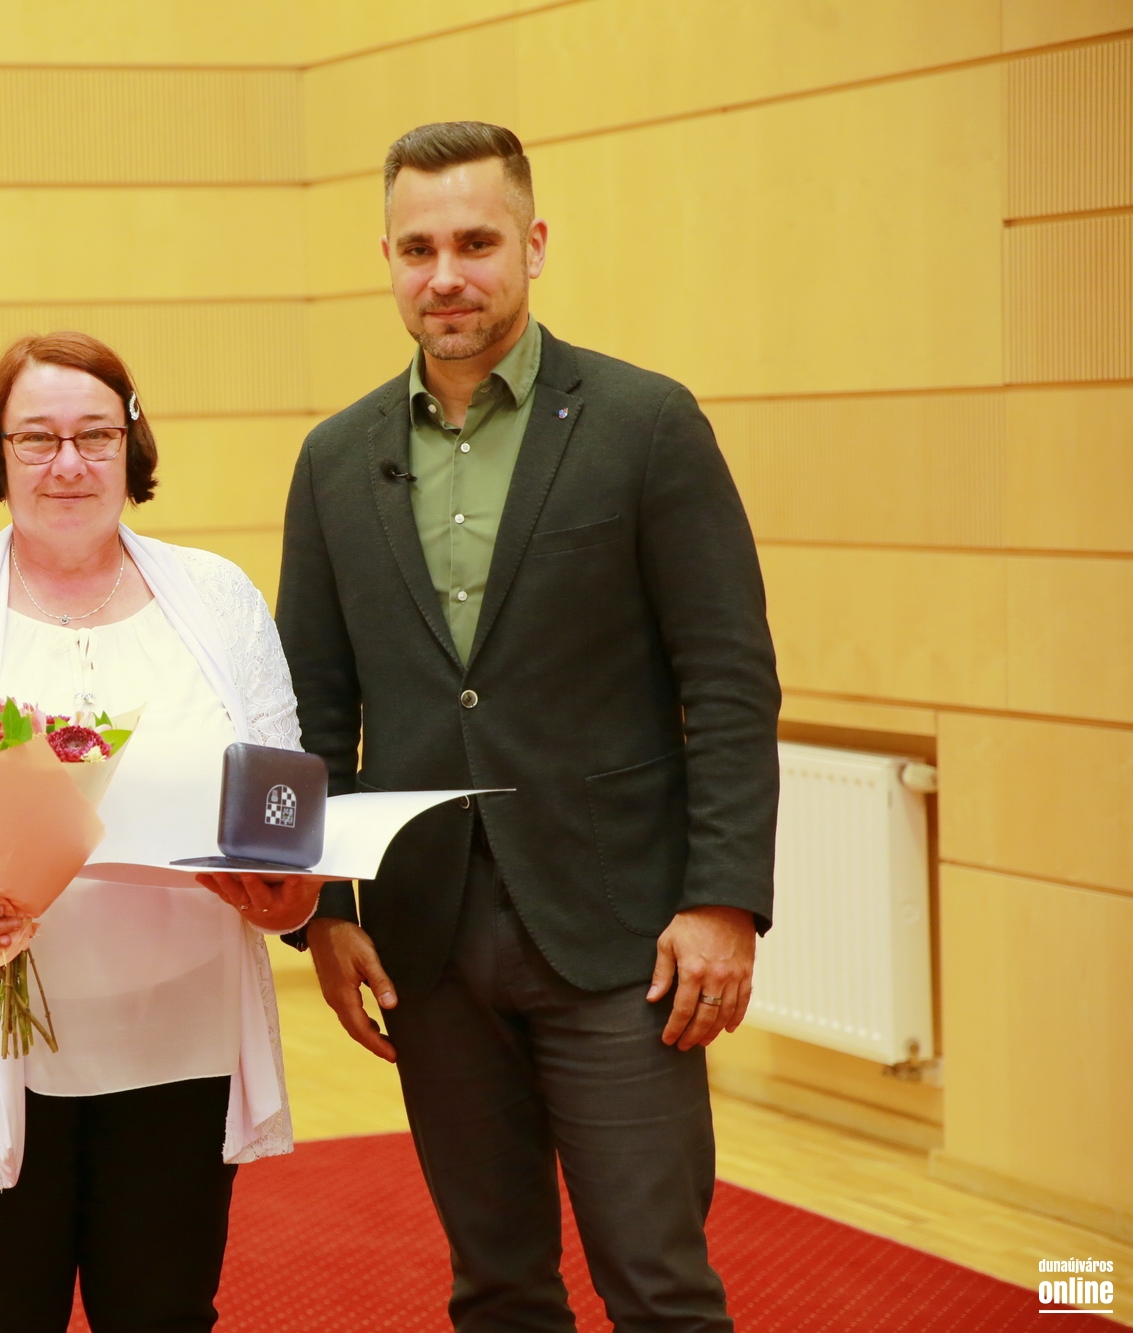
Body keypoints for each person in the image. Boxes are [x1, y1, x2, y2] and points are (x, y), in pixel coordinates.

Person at [278, 122, 779, 1331]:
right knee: (495, 1289)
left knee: (658, 1287)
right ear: (386, 260)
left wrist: (722, 899)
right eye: (417, 249)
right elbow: (306, 706)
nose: (444, 274)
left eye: (474, 242)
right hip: (426, 940)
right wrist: (322, 910)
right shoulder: (334, 458)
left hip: (621, 937)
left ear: (532, 245)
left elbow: (726, 680)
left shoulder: (644, 423)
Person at [0, 332, 320, 1333]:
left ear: (132, 447)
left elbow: (279, 787)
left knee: (165, 1312)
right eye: (36, 438)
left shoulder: (217, 596)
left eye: (95, 435)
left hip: (179, 1033)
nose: (68, 463)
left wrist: (289, 890)